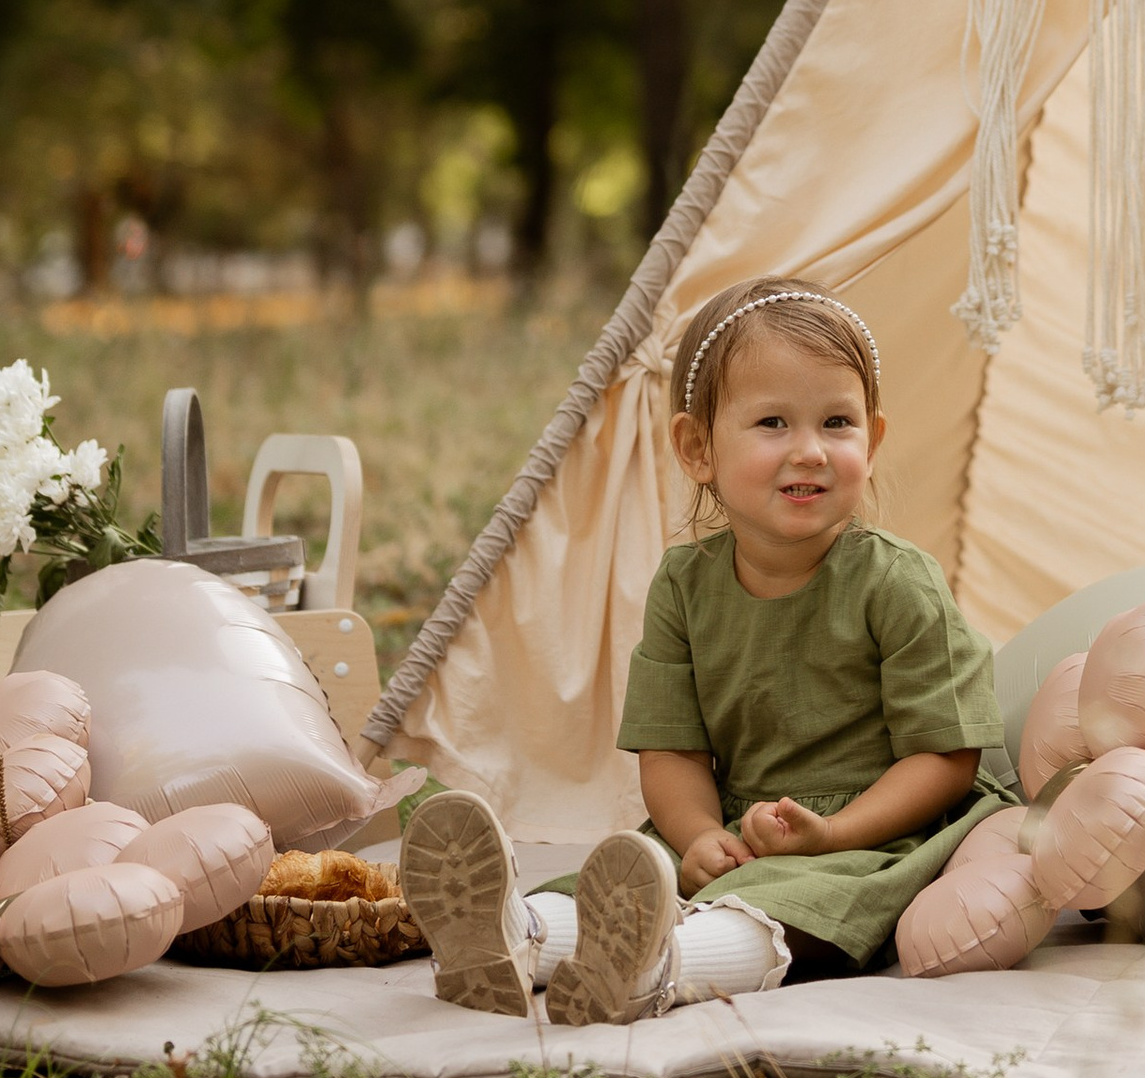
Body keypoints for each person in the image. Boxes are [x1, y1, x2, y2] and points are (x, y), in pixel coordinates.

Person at [396, 276, 1011, 1023]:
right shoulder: (684, 585)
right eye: (773, 423)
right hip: (735, 826)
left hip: (876, 834)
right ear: (697, 449)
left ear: (872, 443)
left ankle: (661, 967)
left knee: (794, 902)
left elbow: (946, 757)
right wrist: (699, 836)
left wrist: (833, 834)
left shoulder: (896, 582)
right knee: (632, 879)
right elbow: (672, 753)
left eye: (838, 423)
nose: (810, 451)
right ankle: (511, 936)